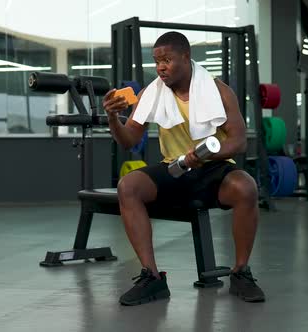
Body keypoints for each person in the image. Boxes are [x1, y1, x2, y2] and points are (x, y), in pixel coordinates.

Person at [102, 31, 265, 306]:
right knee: (128, 186)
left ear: (186, 57)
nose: (160, 67)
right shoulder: (150, 94)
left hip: (213, 168)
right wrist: (112, 118)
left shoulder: (219, 91)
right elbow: (129, 140)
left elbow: (238, 141)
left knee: (246, 187)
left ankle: (240, 272)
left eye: (167, 59)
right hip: (174, 168)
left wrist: (203, 156)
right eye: (156, 62)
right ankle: (152, 277)